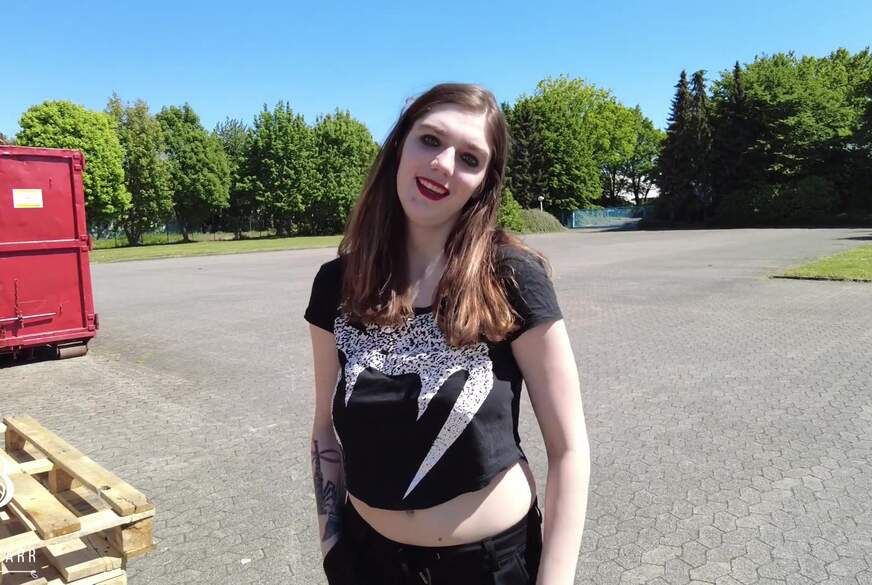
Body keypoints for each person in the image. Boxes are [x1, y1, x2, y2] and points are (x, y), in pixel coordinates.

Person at [305, 82, 590, 585]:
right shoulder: (337, 284)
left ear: (483, 183)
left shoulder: (510, 277)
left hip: (487, 567)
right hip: (367, 562)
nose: (443, 164)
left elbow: (569, 450)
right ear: (400, 145)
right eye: (431, 140)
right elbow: (324, 428)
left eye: (470, 158)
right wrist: (333, 547)